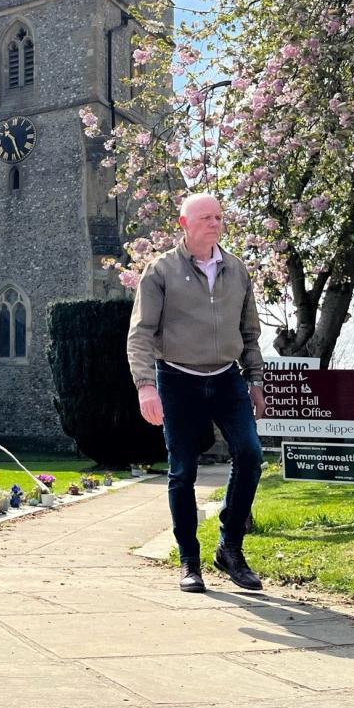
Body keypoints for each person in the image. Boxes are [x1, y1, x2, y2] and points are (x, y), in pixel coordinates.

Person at [126, 193, 266, 593]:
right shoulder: (160, 271)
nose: (215, 223)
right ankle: (190, 560)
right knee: (183, 469)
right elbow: (140, 334)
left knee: (251, 454)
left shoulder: (237, 270)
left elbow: (250, 335)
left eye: (219, 217)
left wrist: (254, 381)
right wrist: (145, 386)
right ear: (184, 223)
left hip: (227, 377)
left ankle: (230, 548)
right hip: (177, 378)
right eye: (205, 217)